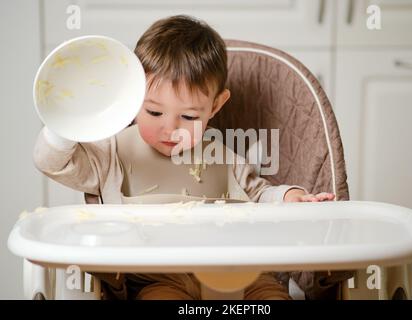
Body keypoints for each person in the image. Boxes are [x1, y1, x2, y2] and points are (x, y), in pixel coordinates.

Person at [33, 15, 335, 300]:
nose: (170, 128)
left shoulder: (222, 154)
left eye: (189, 116)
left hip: (240, 272)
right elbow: (53, 162)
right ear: (132, 95)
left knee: (271, 296)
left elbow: (258, 194)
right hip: (158, 279)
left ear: (215, 106)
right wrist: (66, 123)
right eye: (153, 111)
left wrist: (289, 197)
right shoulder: (109, 153)